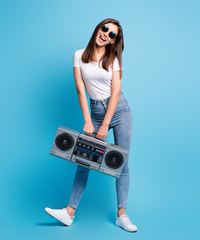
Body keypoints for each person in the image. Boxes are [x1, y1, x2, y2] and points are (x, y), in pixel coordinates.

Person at [45, 18, 137, 232]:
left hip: (120, 111)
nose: (106, 34)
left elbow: (115, 94)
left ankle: (121, 215)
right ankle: (69, 213)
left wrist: (105, 124)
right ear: (98, 28)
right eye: (105, 28)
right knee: (83, 160)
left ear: (114, 41)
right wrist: (88, 119)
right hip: (94, 111)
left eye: (112, 34)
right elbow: (80, 89)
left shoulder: (114, 59)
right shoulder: (79, 55)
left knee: (121, 162)